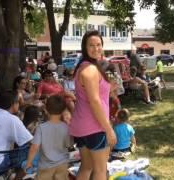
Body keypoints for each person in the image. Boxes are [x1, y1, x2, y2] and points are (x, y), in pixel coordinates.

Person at [69, 30, 117, 180]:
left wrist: (108, 89)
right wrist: (109, 129)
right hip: (94, 127)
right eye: (91, 45)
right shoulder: (90, 70)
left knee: (87, 167)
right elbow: (94, 101)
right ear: (84, 47)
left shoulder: (84, 66)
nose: (96, 48)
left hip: (82, 127)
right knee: (100, 171)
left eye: (98, 45)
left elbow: (90, 95)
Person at [0, 91, 33, 178]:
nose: (19, 104)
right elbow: (32, 142)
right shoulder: (12, 119)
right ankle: (16, 178)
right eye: (18, 102)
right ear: (13, 104)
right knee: (32, 152)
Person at [25, 95, 72, 180]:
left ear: (46, 109)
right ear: (63, 110)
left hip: (45, 166)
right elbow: (69, 145)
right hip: (62, 164)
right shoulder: (66, 127)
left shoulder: (41, 128)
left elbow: (34, 148)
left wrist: (29, 162)